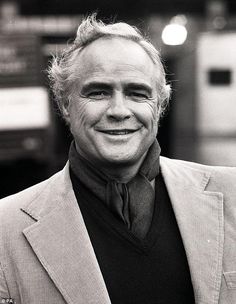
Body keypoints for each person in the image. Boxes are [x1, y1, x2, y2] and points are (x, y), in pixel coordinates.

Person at [0, 14, 236, 304]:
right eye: (98, 92)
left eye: (137, 93)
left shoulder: (232, 194)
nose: (119, 110)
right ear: (65, 104)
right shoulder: (4, 228)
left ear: (160, 105)